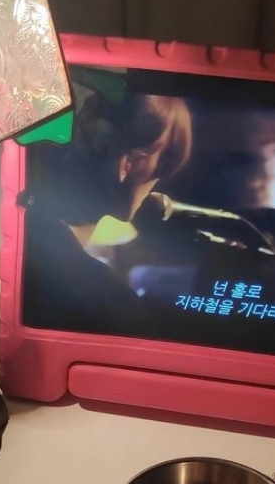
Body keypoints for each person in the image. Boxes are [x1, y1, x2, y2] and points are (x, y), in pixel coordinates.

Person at [20, 89, 193, 336]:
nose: (158, 182)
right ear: (128, 164)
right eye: (164, 165)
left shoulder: (28, 227)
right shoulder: (112, 306)